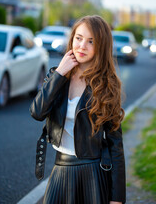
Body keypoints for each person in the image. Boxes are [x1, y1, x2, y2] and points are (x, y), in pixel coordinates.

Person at [30, 15, 126, 204]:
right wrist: (59, 74)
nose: (82, 46)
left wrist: (117, 198)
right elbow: (37, 112)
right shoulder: (57, 76)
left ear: (101, 46)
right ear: (72, 38)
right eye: (79, 38)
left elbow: (116, 145)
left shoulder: (106, 86)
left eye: (91, 41)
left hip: (93, 175)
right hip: (61, 169)